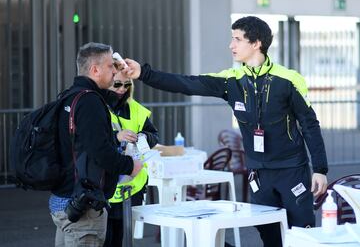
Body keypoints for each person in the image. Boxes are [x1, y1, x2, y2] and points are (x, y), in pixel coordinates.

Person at [119, 16, 328, 247]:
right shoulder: (231, 80)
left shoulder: (289, 79)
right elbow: (187, 83)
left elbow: (310, 124)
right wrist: (143, 74)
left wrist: (319, 169)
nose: (231, 45)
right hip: (259, 173)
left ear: (256, 43)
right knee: (270, 237)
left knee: (302, 235)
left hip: (292, 170)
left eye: (237, 39)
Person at [49, 42, 143, 247]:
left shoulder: (70, 96)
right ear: (95, 70)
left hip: (63, 201)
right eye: (110, 66)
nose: (114, 70)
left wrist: (119, 71)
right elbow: (100, 151)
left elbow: (114, 99)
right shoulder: (90, 102)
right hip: (83, 208)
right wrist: (129, 165)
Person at [102, 68, 159, 247]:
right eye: (117, 84)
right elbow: (89, 139)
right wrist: (116, 137)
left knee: (122, 237)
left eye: (127, 84)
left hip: (132, 186)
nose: (122, 89)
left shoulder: (136, 109)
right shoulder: (96, 106)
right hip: (104, 185)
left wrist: (143, 136)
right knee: (103, 237)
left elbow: (154, 135)